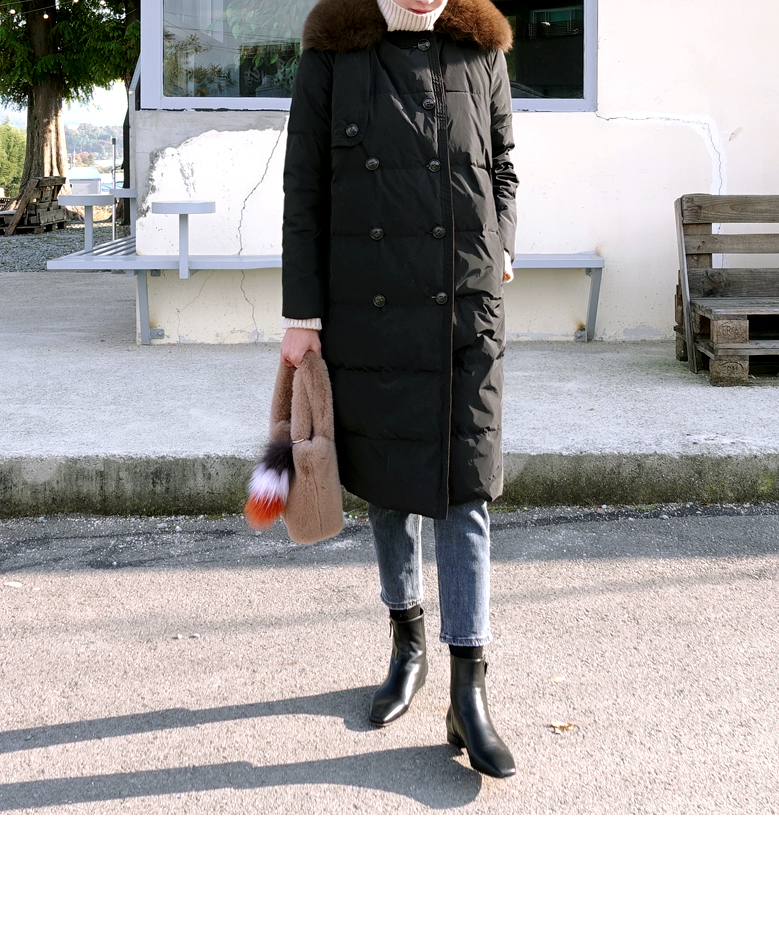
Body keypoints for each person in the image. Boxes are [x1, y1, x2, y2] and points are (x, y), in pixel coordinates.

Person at [279, 0, 518, 778]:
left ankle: (468, 688)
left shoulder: (481, 47)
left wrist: (502, 246)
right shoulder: (334, 50)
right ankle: (406, 645)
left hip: (465, 307)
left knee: (466, 487)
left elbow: (503, 163)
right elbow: (303, 189)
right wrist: (301, 316)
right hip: (369, 304)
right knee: (388, 489)